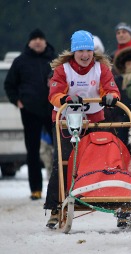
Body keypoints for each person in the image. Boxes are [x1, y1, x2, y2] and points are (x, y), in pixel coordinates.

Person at [43, 30, 120, 228]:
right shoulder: (63, 70)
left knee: (104, 159)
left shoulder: (101, 68)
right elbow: (54, 93)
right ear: (73, 52)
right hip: (66, 122)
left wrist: (112, 96)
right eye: (81, 51)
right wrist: (66, 99)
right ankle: (55, 206)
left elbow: (110, 88)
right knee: (63, 162)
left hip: (94, 120)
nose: (85, 55)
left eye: (88, 50)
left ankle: (114, 200)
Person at [4, 28, 56, 200]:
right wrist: (16, 100)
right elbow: (9, 84)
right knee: (32, 151)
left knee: (60, 149)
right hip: (30, 111)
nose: (38, 41)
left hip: (52, 109)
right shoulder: (20, 61)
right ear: (29, 42)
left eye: (41, 38)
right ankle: (36, 189)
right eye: (35, 39)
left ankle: (61, 186)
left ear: (45, 41)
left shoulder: (54, 60)